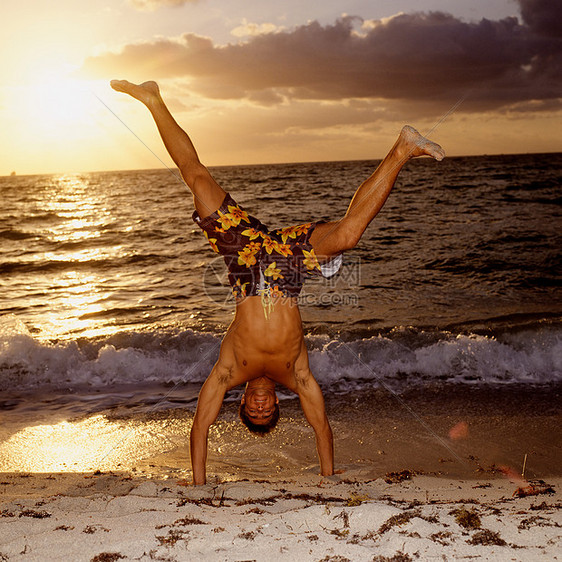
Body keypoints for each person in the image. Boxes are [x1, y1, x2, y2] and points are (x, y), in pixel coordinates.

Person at [110, 80, 445, 485]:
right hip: (288, 269)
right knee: (347, 235)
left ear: (245, 401)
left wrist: (198, 484)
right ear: (276, 405)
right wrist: (328, 476)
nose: (262, 407)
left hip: (245, 263)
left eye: (254, 411)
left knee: (197, 181)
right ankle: (403, 148)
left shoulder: (229, 370)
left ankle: (152, 99)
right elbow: (321, 426)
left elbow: (200, 427)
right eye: (268, 412)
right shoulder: (296, 374)